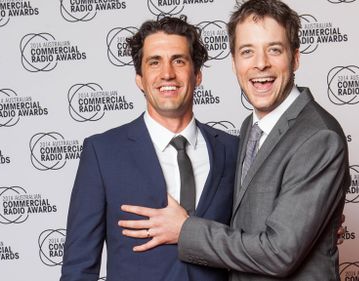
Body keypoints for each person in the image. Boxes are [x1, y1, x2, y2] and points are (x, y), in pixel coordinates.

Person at [118, 0, 351, 280]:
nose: (260, 64)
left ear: (296, 57)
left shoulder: (318, 137)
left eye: (274, 50)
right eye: (247, 52)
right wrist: (316, 227)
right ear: (234, 62)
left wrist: (185, 229)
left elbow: (280, 252)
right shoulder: (251, 128)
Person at [60, 16, 239, 281]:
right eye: (154, 62)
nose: (167, 73)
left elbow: (252, 247)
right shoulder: (103, 152)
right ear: (140, 79)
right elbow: (79, 267)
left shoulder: (233, 150)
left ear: (197, 75)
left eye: (179, 60)